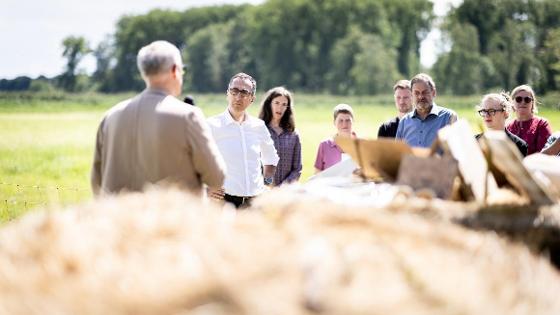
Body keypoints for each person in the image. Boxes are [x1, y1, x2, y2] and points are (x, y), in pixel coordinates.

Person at [91, 40, 226, 196]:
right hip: (171, 218)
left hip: (119, 218)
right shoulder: (189, 116)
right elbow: (216, 177)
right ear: (175, 70)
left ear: (144, 73)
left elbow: (96, 182)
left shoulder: (110, 116)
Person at [207, 73, 279, 209]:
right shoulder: (211, 125)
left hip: (255, 202)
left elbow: (271, 158)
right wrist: (206, 188)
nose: (238, 97)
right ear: (227, 93)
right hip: (223, 202)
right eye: (234, 91)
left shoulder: (258, 126)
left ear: (252, 98)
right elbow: (196, 160)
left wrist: (267, 183)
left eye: (244, 92)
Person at [396, 73, 458, 148]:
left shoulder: (449, 117)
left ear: (434, 93)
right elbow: (397, 155)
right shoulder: (404, 122)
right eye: (416, 93)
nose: (421, 96)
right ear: (412, 95)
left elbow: (458, 151)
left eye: (425, 92)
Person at [258, 87, 302, 186]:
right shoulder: (258, 131)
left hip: (286, 194)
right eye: (276, 103)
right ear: (269, 104)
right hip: (262, 192)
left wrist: (282, 188)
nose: (280, 108)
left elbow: (297, 169)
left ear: (288, 108)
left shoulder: (294, 135)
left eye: (284, 105)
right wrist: (268, 186)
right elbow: (253, 164)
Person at [506, 84, 552, 155]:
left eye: (527, 99)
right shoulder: (507, 127)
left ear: (532, 103)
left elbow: (545, 155)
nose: (523, 102)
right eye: (518, 99)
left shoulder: (541, 124)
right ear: (512, 103)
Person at [314, 103, 356, 173]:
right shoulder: (324, 145)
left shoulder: (362, 145)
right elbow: (317, 173)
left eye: (348, 120)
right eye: (340, 120)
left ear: (353, 122)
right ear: (334, 122)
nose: (344, 124)